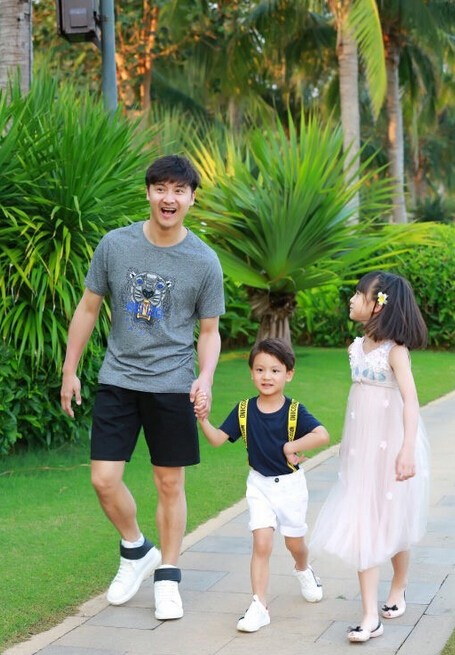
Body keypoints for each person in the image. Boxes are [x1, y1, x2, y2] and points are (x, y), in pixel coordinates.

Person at [60, 154, 225, 621]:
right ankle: (135, 549)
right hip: (119, 378)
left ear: (192, 198)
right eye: (160, 189)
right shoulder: (115, 245)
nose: (169, 199)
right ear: (148, 193)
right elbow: (88, 308)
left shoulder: (204, 261)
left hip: (173, 384)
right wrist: (70, 369)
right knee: (103, 479)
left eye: (179, 191)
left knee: (169, 483)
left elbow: (209, 331)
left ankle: (167, 575)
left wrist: (205, 376)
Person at [310, 271, 430, 643]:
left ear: (378, 305)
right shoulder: (355, 347)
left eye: (358, 294)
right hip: (361, 449)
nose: (351, 299)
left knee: (393, 516)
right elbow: (357, 404)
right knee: (365, 519)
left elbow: (410, 401)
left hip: (391, 447)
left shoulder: (395, 351)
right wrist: (347, 446)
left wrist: (406, 450)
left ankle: (399, 584)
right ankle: (369, 616)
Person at [194, 337, 330, 632]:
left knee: (294, 543)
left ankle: (303, 569)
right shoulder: (243, 410)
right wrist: (203, 420)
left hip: (291, 486)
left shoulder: (294, 411)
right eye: (260, 369)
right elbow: (217, 440)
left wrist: (292, 446)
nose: (267, 376)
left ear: (288, 374)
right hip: (259, 485)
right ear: (251, 373)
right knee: (262, 542)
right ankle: (259, 606)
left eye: (275, 370)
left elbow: (322, 435)